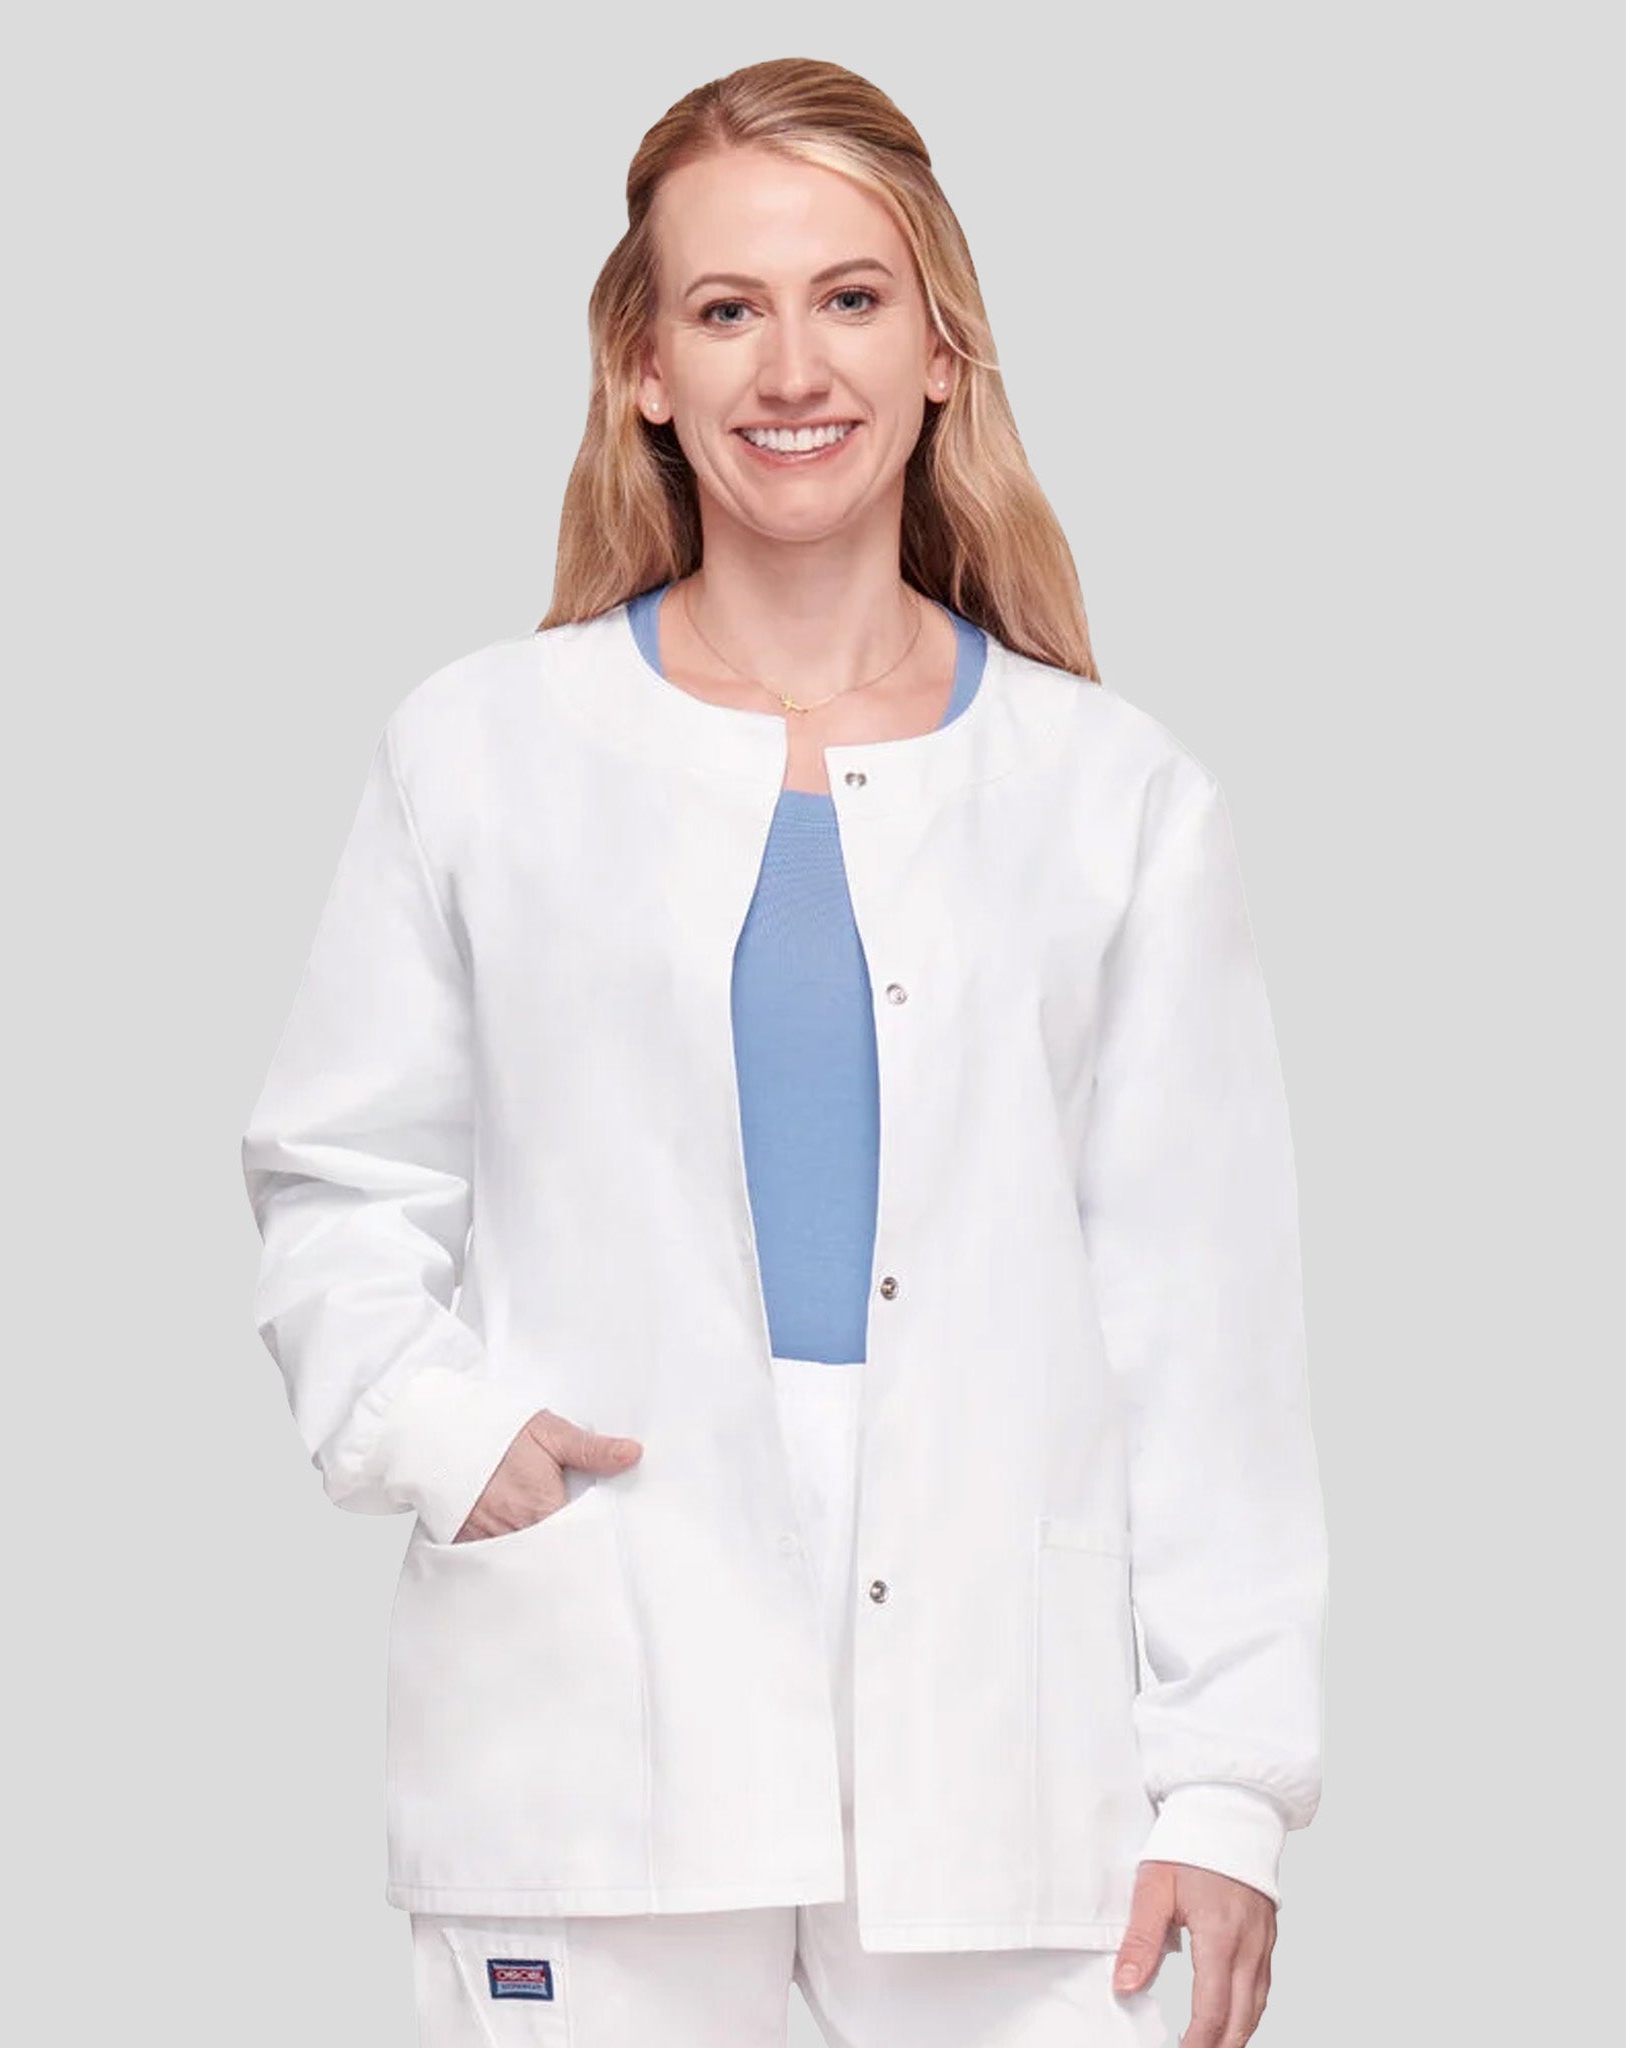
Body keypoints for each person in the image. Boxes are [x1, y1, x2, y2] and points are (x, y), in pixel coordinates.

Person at [240, 55, 1327, 2048]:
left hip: (1016, 1739)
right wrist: (439, 1432)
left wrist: (1228, 1784)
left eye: (850, 297)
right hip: (595, 1700)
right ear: (644, 367)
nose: (793, 366)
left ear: (942, 351)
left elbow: (1204, 1321)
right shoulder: (481, 752)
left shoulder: (1114, 799)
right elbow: (337, 1178)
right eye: (727, 308)